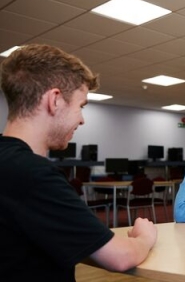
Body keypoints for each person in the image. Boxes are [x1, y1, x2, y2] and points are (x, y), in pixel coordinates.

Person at [0, 44, 157, 281]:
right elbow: (120, 256)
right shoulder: (33, 174)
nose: (82, 120)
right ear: (55, 100)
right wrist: (144, 237)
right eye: (81, 106)